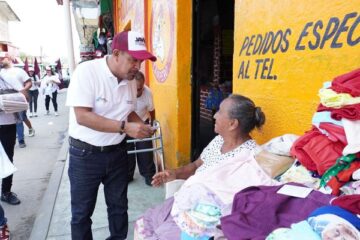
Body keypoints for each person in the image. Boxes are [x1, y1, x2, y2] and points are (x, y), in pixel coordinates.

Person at [135, 94, 268, 239]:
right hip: (187, 200)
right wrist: (173, 174)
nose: (215, 115)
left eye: (220, 111)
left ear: (233, 124)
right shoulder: (218, 141)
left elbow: (235, 200)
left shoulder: (250, 157)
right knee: (145, 223)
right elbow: (196, 166)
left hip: (204, 215)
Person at [66, 30, 157, 240]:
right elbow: (83, 117)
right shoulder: (87, 72)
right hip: (84, 155)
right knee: (81, 213)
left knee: (119, 208)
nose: (137, 66)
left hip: (117, 153)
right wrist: (126, 127)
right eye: (133, 60)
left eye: (141, 62)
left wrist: (140, 125)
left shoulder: (132, 80)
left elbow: (128, 110)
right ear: (116, 54)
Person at [0, 56, 32, 205]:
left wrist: (20, 96)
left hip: (7, 123)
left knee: (8, 157)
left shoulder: (10, 75)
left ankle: (6, 192)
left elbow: (24, 97)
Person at [127, 71, 156, 186]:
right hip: (127, 123)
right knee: (127, 150)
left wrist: (152, 123)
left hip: (143, 120)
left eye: (142, 88)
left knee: (145, 150)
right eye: (137, 89)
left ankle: (149, 175)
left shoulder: (147, 92)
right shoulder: (126, 92)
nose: (140, 91)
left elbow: (152, 110)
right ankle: (128, 175)